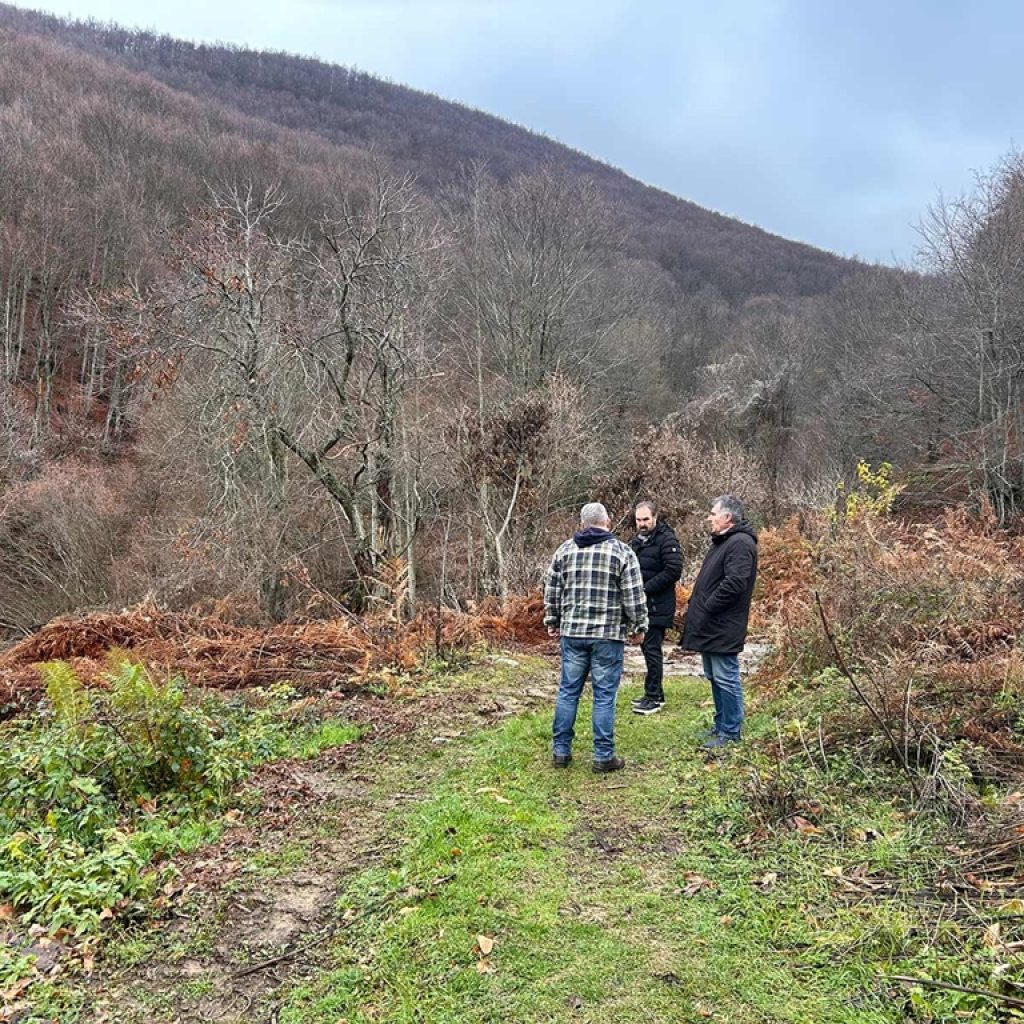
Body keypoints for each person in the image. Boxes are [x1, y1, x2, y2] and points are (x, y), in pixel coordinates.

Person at [544, 502, 648, 772]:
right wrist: (639, 626)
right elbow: (634, 596)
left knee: (568, 691)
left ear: (582, 524)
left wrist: (553, 620)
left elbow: (552, 590)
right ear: (608, 521)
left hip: (573, 633)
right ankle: (603, 756)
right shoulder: (621, 552)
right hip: (607, 635)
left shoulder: (564, 551)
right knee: (604, 696)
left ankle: (560, 751)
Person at [680, 494, 758, 749]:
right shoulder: (724, 542)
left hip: (723, 625)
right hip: (711, 624)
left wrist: (708, 606)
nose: (710, 518)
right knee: (715, 676)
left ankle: (730, 732)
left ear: (727, 517)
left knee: (726, 677)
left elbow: (735, 582)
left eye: (713, 514)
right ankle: (722, 725)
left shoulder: (740, 543)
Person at [628, 500, 683, 715]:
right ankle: (653, 692)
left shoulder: (667, 540)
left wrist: (645, 588)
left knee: (652, 649)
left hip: (659, 604)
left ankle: (654, 697)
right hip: (643, 605)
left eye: (645, 519)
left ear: (655, 517)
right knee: (647, 648)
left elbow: (673, 570)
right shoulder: (637, 541)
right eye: (638, 520)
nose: (642, 524)